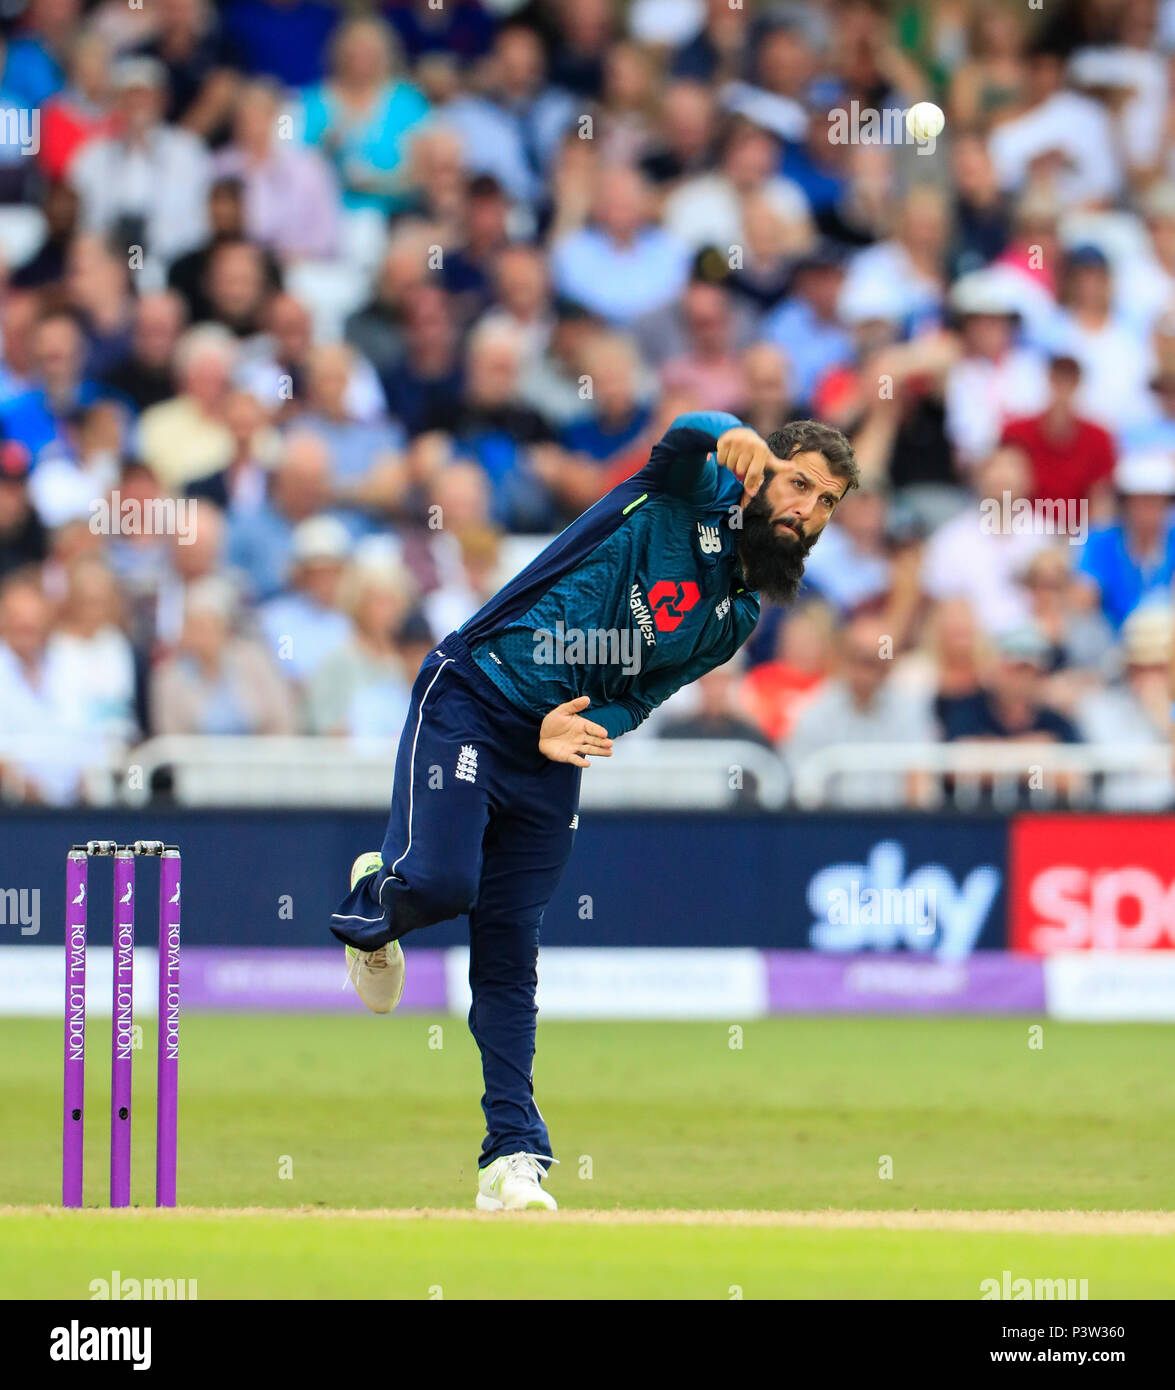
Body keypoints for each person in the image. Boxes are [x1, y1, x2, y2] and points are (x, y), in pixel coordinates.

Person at [328, 413, 858, 1210]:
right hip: (474, 694)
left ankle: (511, 1157)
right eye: (797, 484)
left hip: (551, 747)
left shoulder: (741, 615)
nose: (806, 512)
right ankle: (382, 893)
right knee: (441, 886)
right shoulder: (687, 490)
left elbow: (641, 696)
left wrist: (587, 726)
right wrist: (729, 432)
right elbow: (681, 438)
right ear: (761, 470)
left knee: (510, 948)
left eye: (826, 502)